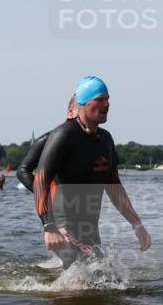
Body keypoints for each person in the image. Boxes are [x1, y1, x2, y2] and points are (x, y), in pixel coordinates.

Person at [32, 76, 151, 268]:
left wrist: (137, 224)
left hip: (89, 227)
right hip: (63, 224)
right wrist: (48, 226)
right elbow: (40, 180)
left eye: (108, 99)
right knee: (80, 276)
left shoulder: (105, 139)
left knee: (105, 275)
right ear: (83, 103)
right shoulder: (64, 135)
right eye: (100, 99)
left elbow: (114, 187)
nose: (107, 104)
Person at [16, 96, 78, 192]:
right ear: (71, 112)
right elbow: (22, 171)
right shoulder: (49, 139)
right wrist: (43, 196)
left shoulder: (99, 139)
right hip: (57, 203)